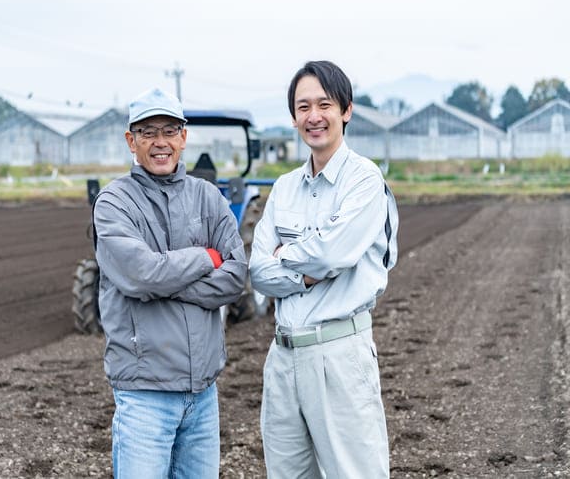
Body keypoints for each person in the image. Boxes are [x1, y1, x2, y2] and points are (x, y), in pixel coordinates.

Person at [249, 60, 398, 478]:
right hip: (283, 359)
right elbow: (259, 272)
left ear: (346, 110)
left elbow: (333, 255)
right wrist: (303, 267)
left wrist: (285, 256)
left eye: (324, 104)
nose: (313, 116)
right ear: (294, 117)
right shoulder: (283, 188)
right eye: (302, 107)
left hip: (339, 356)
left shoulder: (364, 180)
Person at [93, 87, 247, 478]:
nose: (160, 142)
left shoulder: (209, 198)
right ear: (131, 141)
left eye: (169, 130)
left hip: (203, 394)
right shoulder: (114, 204)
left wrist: (162, 281)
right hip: (144, 394)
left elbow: (234, 278)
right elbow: (141, 274)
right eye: (147, 132)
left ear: (183, 136)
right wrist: (205, 259)